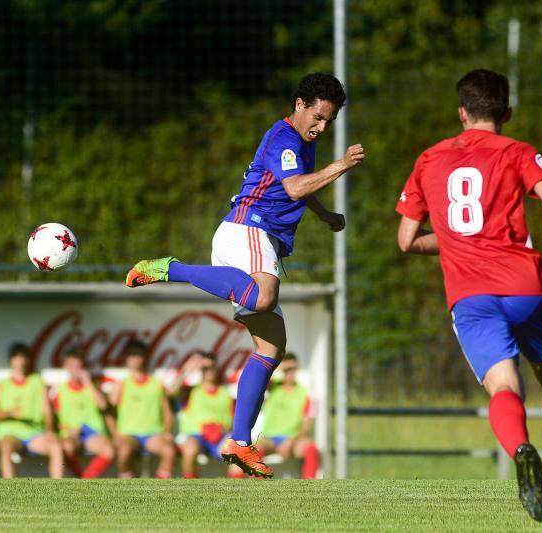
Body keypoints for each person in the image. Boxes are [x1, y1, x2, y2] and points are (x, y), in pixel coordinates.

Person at [395, 69, 542, 521]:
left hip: (471, 296)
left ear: (461, 112)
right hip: (524, 287)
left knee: (503, 384)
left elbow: (407, 240)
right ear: (506, 112)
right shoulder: (518, 151)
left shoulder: (429, 159)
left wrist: (458, 239)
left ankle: (520, 450)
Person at [124, 72, 365, 477]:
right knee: (265, 295)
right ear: (300, 104)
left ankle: (239, 440)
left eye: (330, 121)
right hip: (249, 228)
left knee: (272, 348)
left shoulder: (304, 143)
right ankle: (170, 268)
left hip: (257, 237)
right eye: (319, 117)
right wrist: (341, 165)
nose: (322, 127)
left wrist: (324, 215)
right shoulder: (285, 137)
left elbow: (300, 188)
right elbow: (292, 189)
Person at [0, 342, 64, 479]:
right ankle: (11, 492)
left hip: (33, 433)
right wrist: (9, 413)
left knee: (56, 446)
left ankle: (58, 491)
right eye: (17, 357)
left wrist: (49, 431)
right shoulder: (2, 385)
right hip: (10, 433)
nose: (21, 361)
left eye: (24, 357)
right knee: (5, 447)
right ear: (11, 360)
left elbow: (47, 411)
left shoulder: (37, 382)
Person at [168, 351, 240, 479]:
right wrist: (188, 367)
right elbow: (172, 391)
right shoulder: (190, 390)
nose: (209, 371)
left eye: (212, 368)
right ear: (200, 370)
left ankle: (235, 495)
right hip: (196, 435)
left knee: (238, 452)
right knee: (189, 449)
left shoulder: (226, 392)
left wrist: (226, 428)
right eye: (205, 368)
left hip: (220, 436)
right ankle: (190, 492)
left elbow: (236, 419)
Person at [109, 340, 175, 479]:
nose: (135, 359)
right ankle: (128, 488)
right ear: (126, 359)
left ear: (144, 358)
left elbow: (167, 412)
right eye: (131, 355)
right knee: (124, 452)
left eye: (138, 355)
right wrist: (115, 434)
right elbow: (109, 412)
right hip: (128, 434)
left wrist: (166, 431)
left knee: (169, 451)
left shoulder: (156, 383)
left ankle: (160, 493)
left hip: (152, 434)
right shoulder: (121, 384)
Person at [53, 348, 115, 478]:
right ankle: (79, 478)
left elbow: (103, 406)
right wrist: (68, 429)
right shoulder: (59, 390)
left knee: (109, 450)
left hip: (92, 432)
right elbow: (52, 421)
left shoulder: (92, 386)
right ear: (66, 367)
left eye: (79, 366)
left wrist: (88, 383)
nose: (76, 370)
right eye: (72, 366)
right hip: (71, 433)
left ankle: (83, 482)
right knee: (67, 447)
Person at [258, 354, 319, 479]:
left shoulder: (306, 393)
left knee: (311, 449)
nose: (289, 373)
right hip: (269, 438)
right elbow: (259, 376)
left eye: (292, 369)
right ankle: (256, 493)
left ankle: (310, 492)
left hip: (293, 439)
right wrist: (278, 367)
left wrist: (291, 441)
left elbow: (307, 426)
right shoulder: (272, 387)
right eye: (286, 370)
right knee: (254, 451)